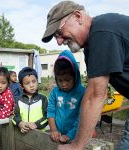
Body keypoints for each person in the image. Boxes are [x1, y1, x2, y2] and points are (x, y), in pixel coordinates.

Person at [42, 1, 129, 150]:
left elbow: (95, 95)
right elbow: (93, 93)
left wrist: (76, 145)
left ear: (78, 16)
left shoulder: (102, 32)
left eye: (59, 32)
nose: (59, 41)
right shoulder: (90, 48)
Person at [47, 50, 85, 143]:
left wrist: (70, 135)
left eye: (67, 80)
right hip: (58, 134)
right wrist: (53, 129)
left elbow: (81, 117)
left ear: (75, 76)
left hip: (76, 136)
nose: (63, 84)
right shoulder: (55, 92)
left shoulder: (82, 93)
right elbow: (51, 111)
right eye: (60, 80)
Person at [12, 67, 48, 133]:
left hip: (40, 136)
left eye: (34, 81)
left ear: (37, 81)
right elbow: (14, 116)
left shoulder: (43, 99)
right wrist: (20, 123)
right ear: (22, 86)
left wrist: (36, 124)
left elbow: (48, 117)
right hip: (22, 136)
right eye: (27, 83)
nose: (32, 85)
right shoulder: (18, 100)